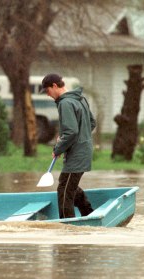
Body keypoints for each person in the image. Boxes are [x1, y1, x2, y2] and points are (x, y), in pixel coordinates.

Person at [41, 73, 96, 218]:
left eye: (47, 91)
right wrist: (70, 138)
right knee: (69, 187)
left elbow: (71, 132)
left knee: (64, 190)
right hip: (84, 151)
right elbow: (91, 123)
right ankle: (89, 214)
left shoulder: (65, 103)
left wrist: (59, 148)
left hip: (76, 155)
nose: (48, 95)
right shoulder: (80, 99)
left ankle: (68, 226)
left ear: (54, 86)